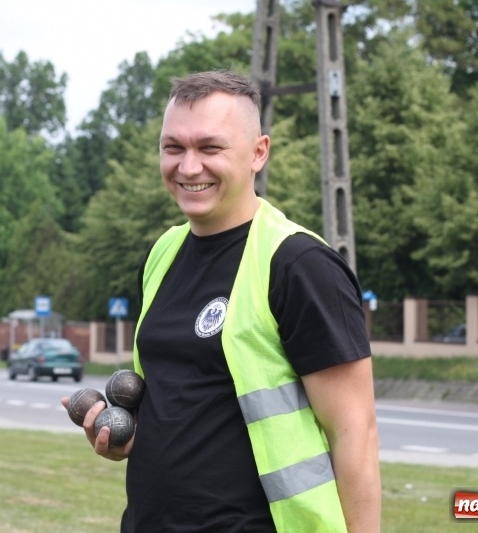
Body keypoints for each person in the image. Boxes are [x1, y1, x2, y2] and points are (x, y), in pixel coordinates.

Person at [63, 69, 381, 532]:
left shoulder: (299, 265)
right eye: (174, 148)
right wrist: (127, 437)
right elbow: (180, 405)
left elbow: (356, 436)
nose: (189, 167)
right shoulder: (162, 255)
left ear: (258, 153)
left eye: (210, 148)